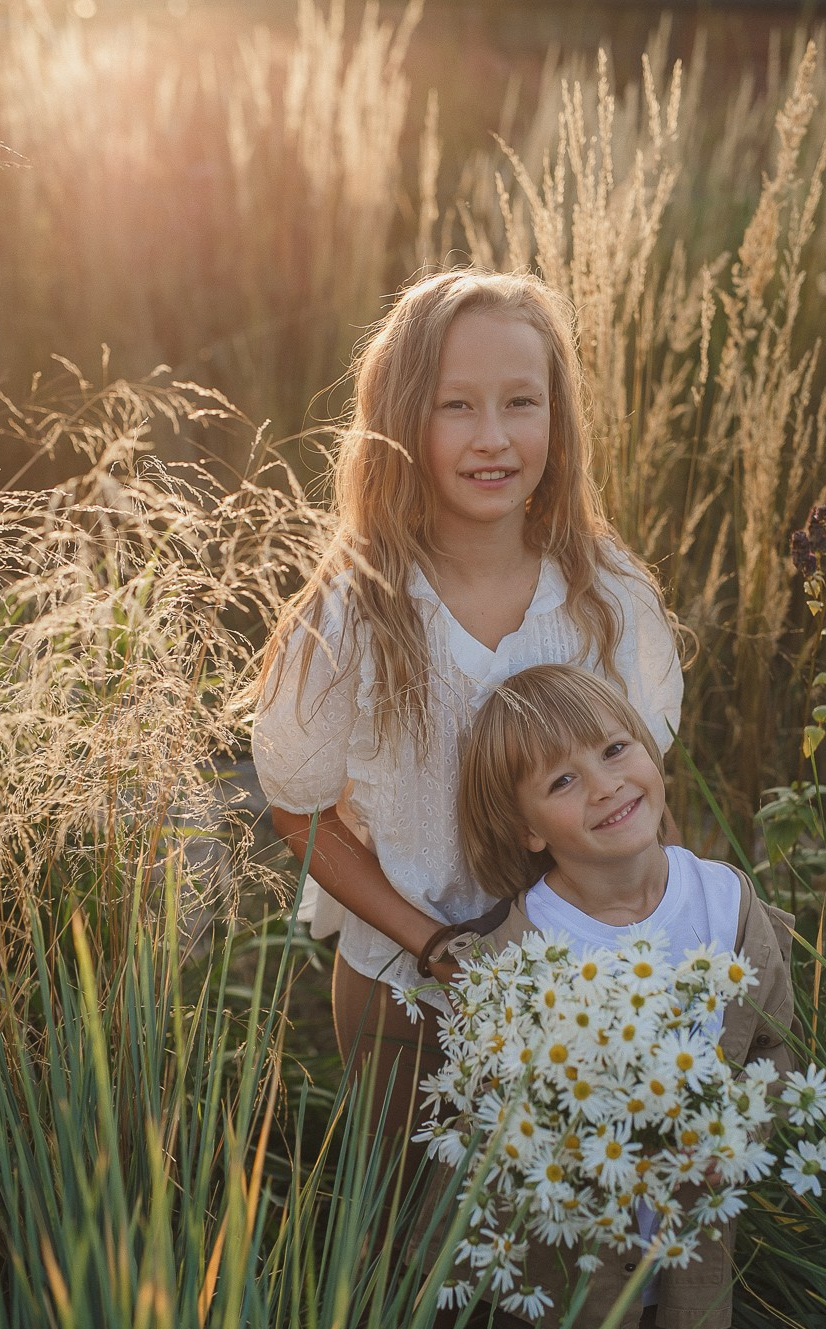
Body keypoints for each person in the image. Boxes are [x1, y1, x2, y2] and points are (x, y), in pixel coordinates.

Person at [250, 269, 683, 1144]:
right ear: (403, 420)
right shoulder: (353, 610)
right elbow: (298, 811)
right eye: (456, 406)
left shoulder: (605, 593)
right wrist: (430, 944)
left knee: (573, 1239)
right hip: (405, 995)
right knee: (421, 1244)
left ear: (556, 419)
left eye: (521, 401)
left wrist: (657, 945)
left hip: (587, 983)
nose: (494, 439)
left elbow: (637, 787)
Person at [412, 663, 798, 1329]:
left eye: (616, 748)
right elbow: (485, 1119)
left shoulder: (725, 905)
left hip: (692, 1237)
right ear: (527, 831)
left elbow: (772, 1050)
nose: (605, 785)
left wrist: (735, 1136)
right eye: (562, 780)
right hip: (565, 1261)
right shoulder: (516, 956)